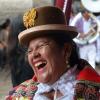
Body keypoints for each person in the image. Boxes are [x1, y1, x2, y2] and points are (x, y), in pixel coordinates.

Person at [6, 6, 100, 100]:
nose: (34, 54)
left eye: (41, 45)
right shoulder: (18, 95)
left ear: (66, 50)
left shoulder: (95, 93)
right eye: (30, 51)